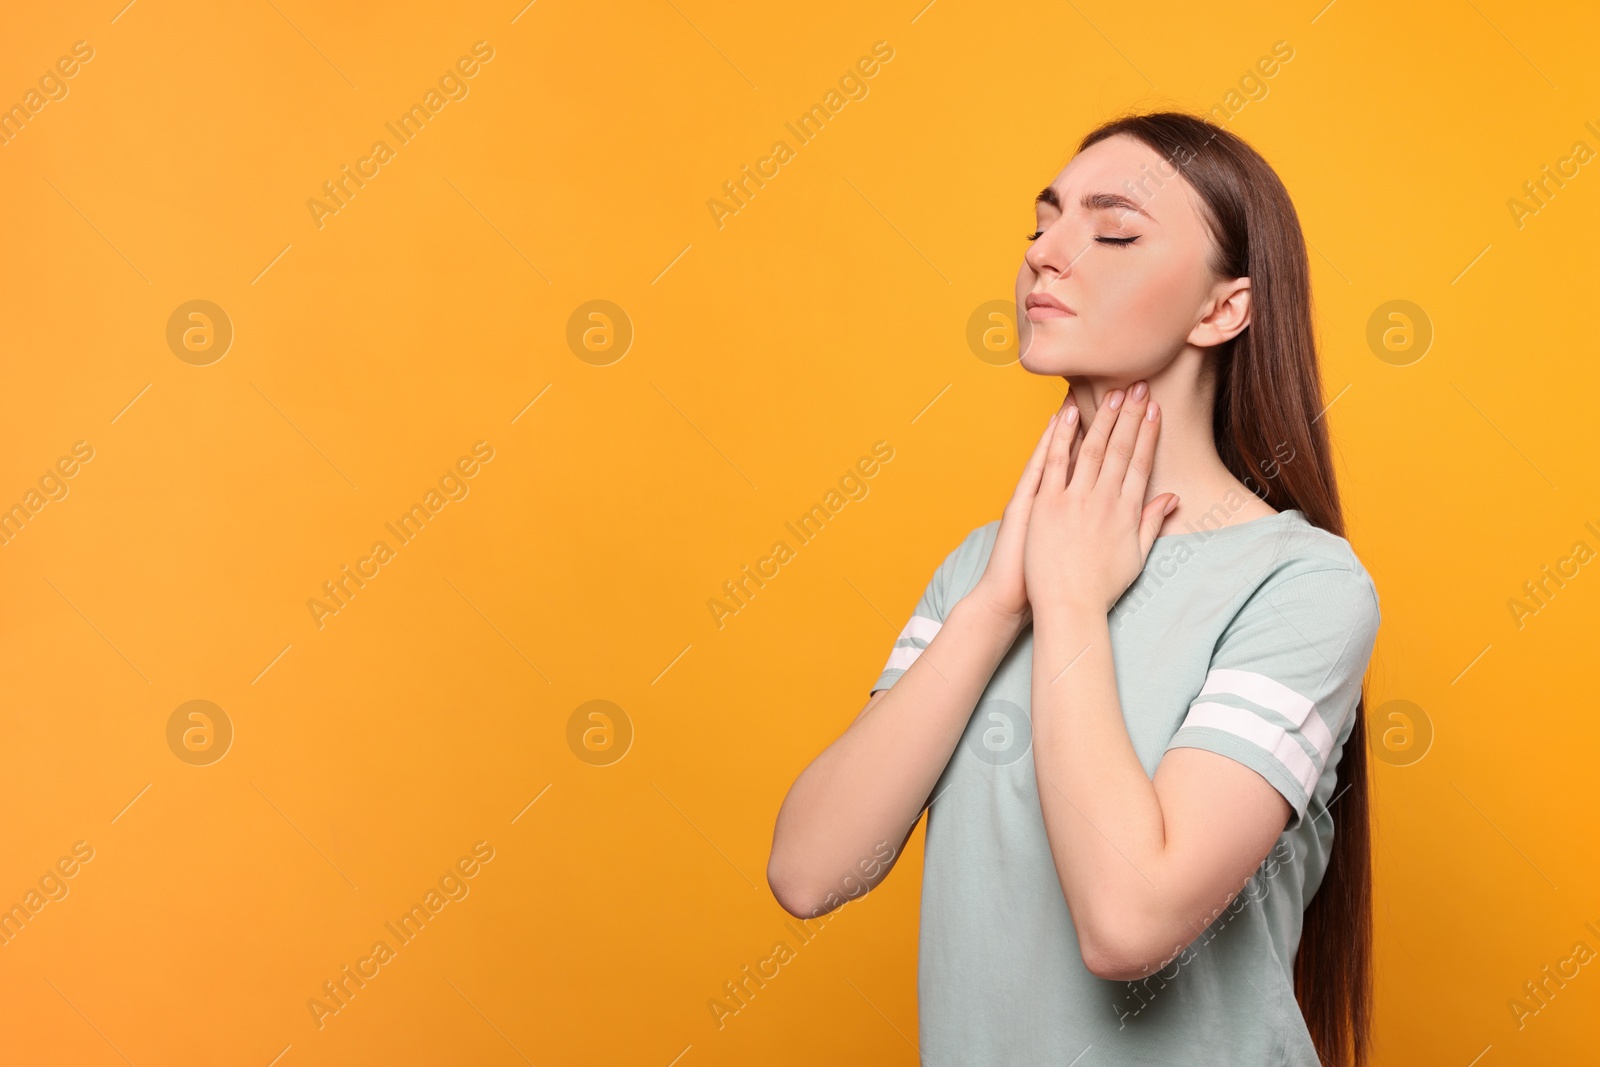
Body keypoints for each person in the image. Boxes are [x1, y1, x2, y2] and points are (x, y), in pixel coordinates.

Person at [766, 110, 1382, 1067]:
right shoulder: (981, 569)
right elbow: (808, 872)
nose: (1047, 254)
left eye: (1115, 231)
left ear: (1224, 309)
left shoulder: (1300, 584)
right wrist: (999, 605)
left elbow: (1129, 921)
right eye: (1042, 224)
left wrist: (1070, 605)